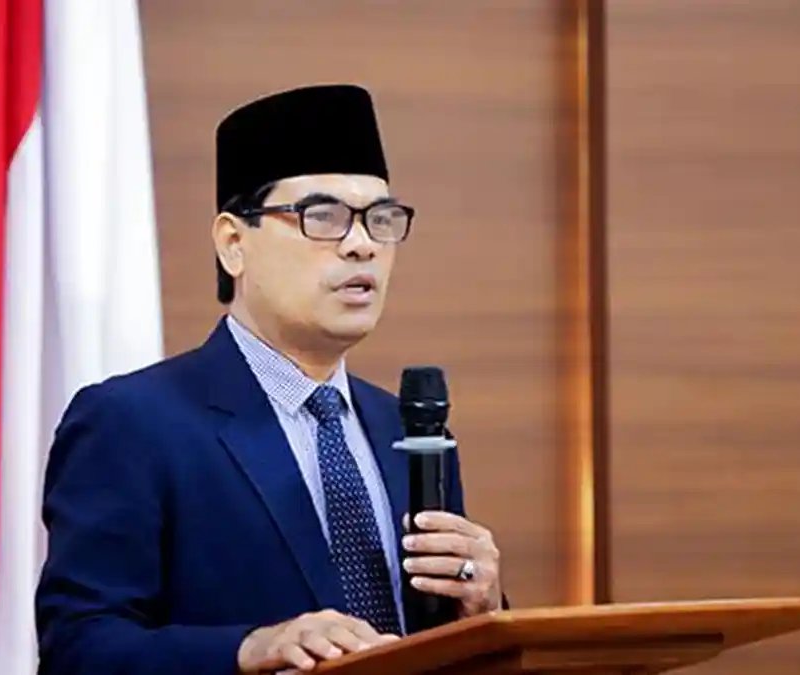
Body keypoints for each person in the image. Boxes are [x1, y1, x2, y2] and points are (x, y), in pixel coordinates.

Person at [35, 84, 504, 675]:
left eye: (381, 220)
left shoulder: (406, 432)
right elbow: (78, 650)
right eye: (324, 217)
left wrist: (482, 609)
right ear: (234, 244)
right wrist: (250, 648)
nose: (362, 245)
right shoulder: (132, 422)